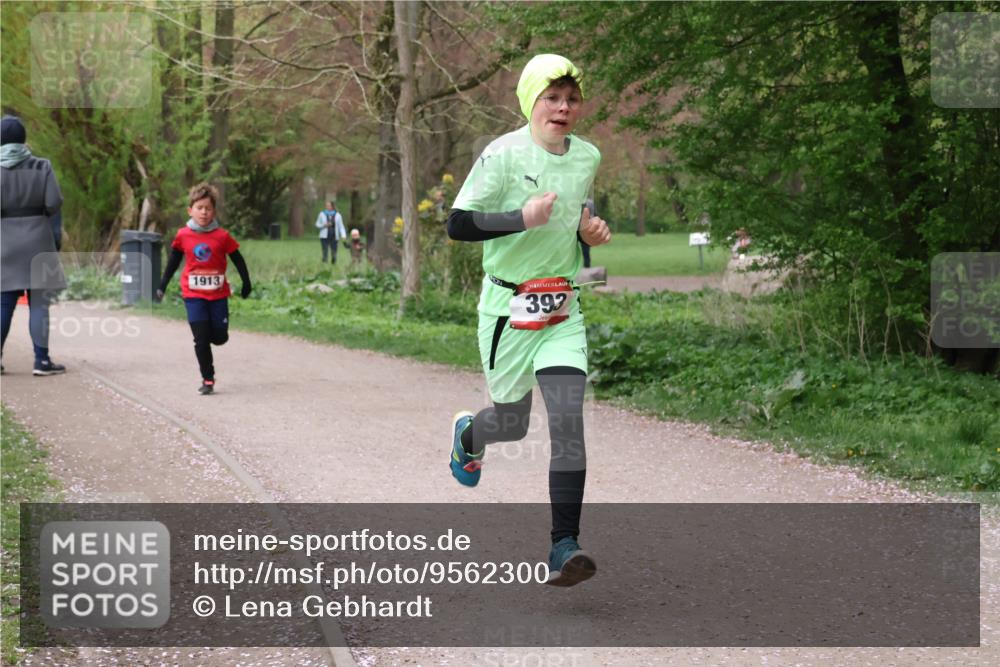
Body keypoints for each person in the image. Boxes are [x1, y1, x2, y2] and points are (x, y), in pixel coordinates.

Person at [445, 54, 611, 587]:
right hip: (506, 311)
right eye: (552, 98)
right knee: (512, 424)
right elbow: (457, 224)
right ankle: (471, 434)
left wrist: (586, 236)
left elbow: (574, 220)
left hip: (561, 306)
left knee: (567, 419)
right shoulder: (501, 155)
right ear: (530, 101)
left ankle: (564, 546)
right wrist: (521, 218)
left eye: (571, 98)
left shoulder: (587, 156)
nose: (563, 108)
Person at [156, 183, 252, 395]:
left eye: (208, 208)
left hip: (218, 296)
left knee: (219, 337)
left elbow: (238, 259)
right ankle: (207, 379)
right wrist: (161, 286)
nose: (204, 212)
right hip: (193, 295)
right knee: (200, 338)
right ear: (190, 210)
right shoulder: (183, 235)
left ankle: (215, 335)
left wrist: (246, 283)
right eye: (199, 207)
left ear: (214, 211)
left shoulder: (222, 236)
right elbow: (173, 262)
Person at [0, 115, 67, 376]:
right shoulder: (42, 166)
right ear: (23, 139)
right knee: (39, 304)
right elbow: (53, 202)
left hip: (5, 244)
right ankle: (41, 361)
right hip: (38, 241)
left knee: (4, 304)